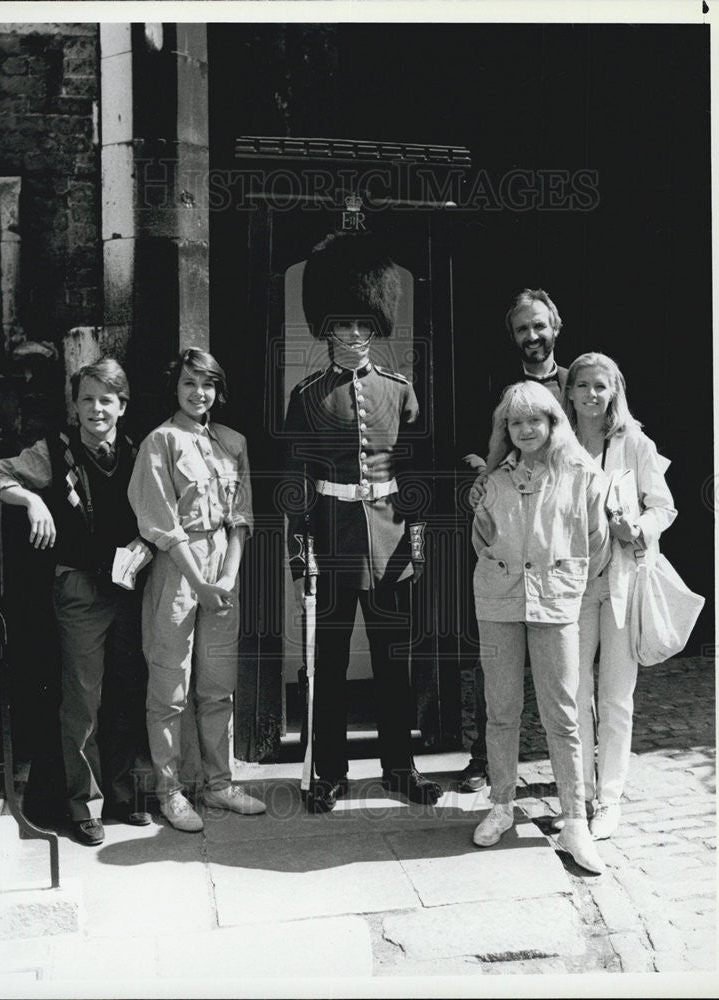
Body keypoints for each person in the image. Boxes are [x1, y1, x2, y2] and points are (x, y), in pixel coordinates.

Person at [283, 230, 442, 814]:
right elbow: (296, 486)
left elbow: (418, 474)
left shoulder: (400, 392)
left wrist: (417, 541)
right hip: (332, 542)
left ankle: (399, 767)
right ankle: (329, 772)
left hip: (392, 542)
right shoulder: (306, 397)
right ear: (326, 330)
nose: (353, 336)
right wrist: (301, 553)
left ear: (375, 331)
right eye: (342, 326)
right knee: (324, 664)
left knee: (393, 664)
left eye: (362, 327)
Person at [0, 358, 153, 846]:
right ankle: (83, 804)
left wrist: (146, 545)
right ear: (76, 404)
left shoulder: (135, 450)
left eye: (106, 400)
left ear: (122, 406)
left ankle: (124, 795)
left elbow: (158, 512)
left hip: (129, 588)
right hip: (80, 590)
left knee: (126, 692)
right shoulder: (55, 449)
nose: (96, 409)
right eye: (86, 399)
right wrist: (31, 499)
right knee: (83, 698)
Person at [469, 380, 609, 873]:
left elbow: (596, 541)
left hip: (556, 602)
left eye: (535, 419)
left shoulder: (580, 474)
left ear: (553, 422)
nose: (526, 429)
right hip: (499, 602)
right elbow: (482, 538)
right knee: (500, 708)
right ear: (505, 430)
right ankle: (501, 805)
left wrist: (563, 582)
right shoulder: (494, 480)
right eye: (515, 422)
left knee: (564, 714)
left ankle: (574, 820)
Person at [128, 349, 266, 832]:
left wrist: (226, 578)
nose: (198, 393)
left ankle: (219, 784)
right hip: (176, 571)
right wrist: (200, 583)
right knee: (170, 686)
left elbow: (240, 518)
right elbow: (161, 523)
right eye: (189, 384)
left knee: (217, 684)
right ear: (175, 387)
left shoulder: (233, 443)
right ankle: (171, 791)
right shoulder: (159, 442)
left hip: (222, 569)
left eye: (207, 385)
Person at [458, 287, 569, 794]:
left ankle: (575, 771)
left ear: (555, 328)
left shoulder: (576, 384)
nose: (532, 336)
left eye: (539, 326)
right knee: (499, 662)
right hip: (506, 533)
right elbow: (471, 447)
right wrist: (482, 473)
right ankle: (486, 762)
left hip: (560, 540)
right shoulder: (495, 387)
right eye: (522, 328)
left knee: (566, 672)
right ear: (513, 336)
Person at [564, 352, 677, 840]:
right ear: (568, 391)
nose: (591, 395)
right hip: (570, 585)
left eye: (601, 387)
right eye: (583, 385)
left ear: (615, 392)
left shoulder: (633, 442)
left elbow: (664, 506)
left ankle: (608, 800)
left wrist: (640, 527)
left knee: (614, 697)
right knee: (573, 694)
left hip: (622, 584)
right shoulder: (558, 441)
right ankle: (580, 794)